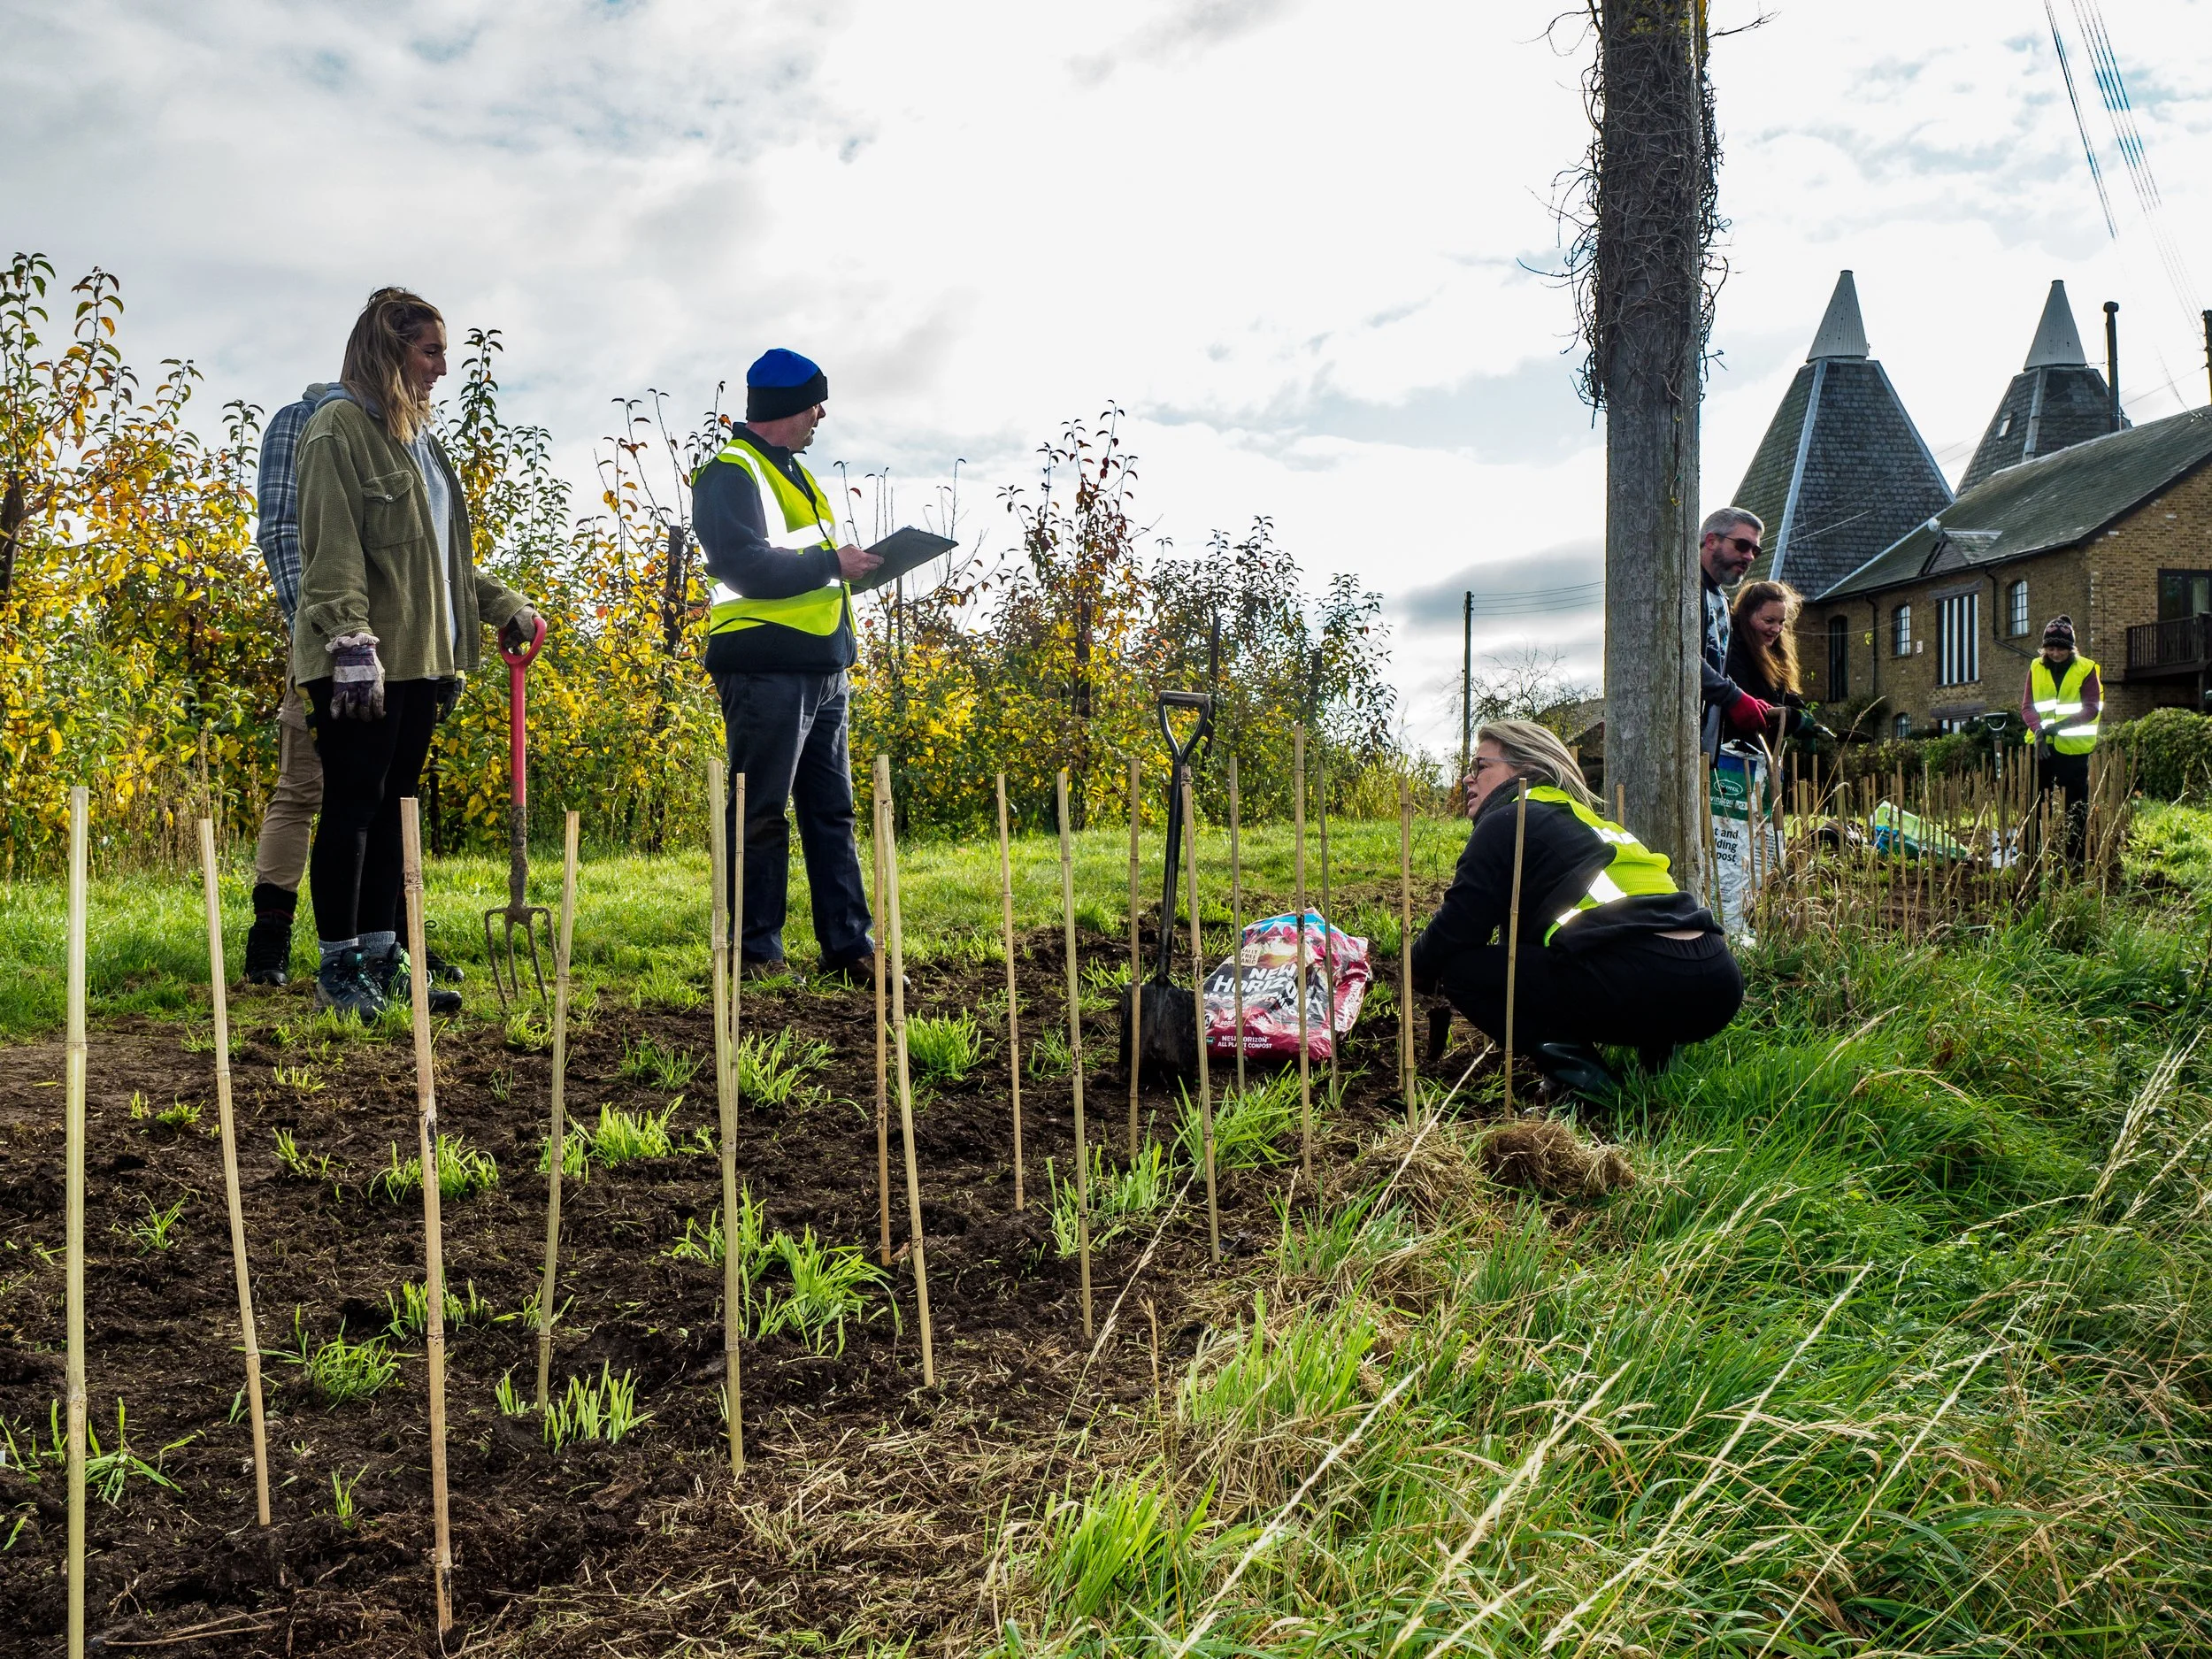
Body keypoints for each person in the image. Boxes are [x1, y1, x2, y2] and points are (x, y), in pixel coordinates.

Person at [294, 288, 540, 1018]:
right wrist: (349, 641)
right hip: (364, 656)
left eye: (443, 353)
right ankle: (337, 967)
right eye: (430, 351)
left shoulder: (419, 443)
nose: (441, 367)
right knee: (353, 803)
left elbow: (444, 560)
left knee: (398, 806)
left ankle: (382, 952)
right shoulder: (337, 429)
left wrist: (505, 605)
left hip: (423, 657)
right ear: (388, 348)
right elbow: (329, 546)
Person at [238, 379, 466, 995]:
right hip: (334, 639)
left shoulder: (401, 433)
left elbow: (429, 552)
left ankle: (388, 945)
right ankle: (273, 941)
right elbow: (285, 534)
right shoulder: (305, 424)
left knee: (385, 795)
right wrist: (325, 638)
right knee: (306, 788)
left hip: (393, 644)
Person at [1410, 719, 1744, 1097]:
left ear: (1526, 769)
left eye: (1480, 766)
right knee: (1595, 951)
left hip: (1648, 977)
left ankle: (1582, 1086)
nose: (1468, 780)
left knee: (1464, 971)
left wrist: (1414, 968)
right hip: (1715, 981)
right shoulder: (1582, 820)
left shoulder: (1510, 818)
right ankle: (1659, 1065)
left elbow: (1458, 928)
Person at [693, 349, 885, 983]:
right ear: (784, 408)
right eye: (813, 403)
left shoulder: (793, 472)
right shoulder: (730, 472)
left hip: (823, 668)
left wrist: (849, 573)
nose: (820, 415)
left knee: (832, 812)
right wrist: (834, 565)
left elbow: (808, 570)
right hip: (766, 669)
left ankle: (850, 948)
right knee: (761, 811)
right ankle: (755, 954)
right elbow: (742, 564)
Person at [2021, 614, 2101, 862]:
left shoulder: (2086, 668)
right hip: (2042, 747)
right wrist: (2039, 732)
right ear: (2044, 648)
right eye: (2051, 648)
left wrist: (2059, 727)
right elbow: (2027, 707)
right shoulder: (2036, 667)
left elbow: (2091, 708)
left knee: (2074, 806)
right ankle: (2031, 856)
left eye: (2061, 649)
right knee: (2035, 802)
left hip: (2074, 750)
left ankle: (2075, 858)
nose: (2055, 653)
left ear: (2071, 649)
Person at [1699, 506, 1771, 757]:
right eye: (1742, 545)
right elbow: (1680, 656)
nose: (1750, 556)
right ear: (1711, 541)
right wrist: (1734, 697)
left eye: (1755, 550)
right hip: (1671, 739)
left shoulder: (1720, 598)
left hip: (1704, 745)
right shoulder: (1685, 587)